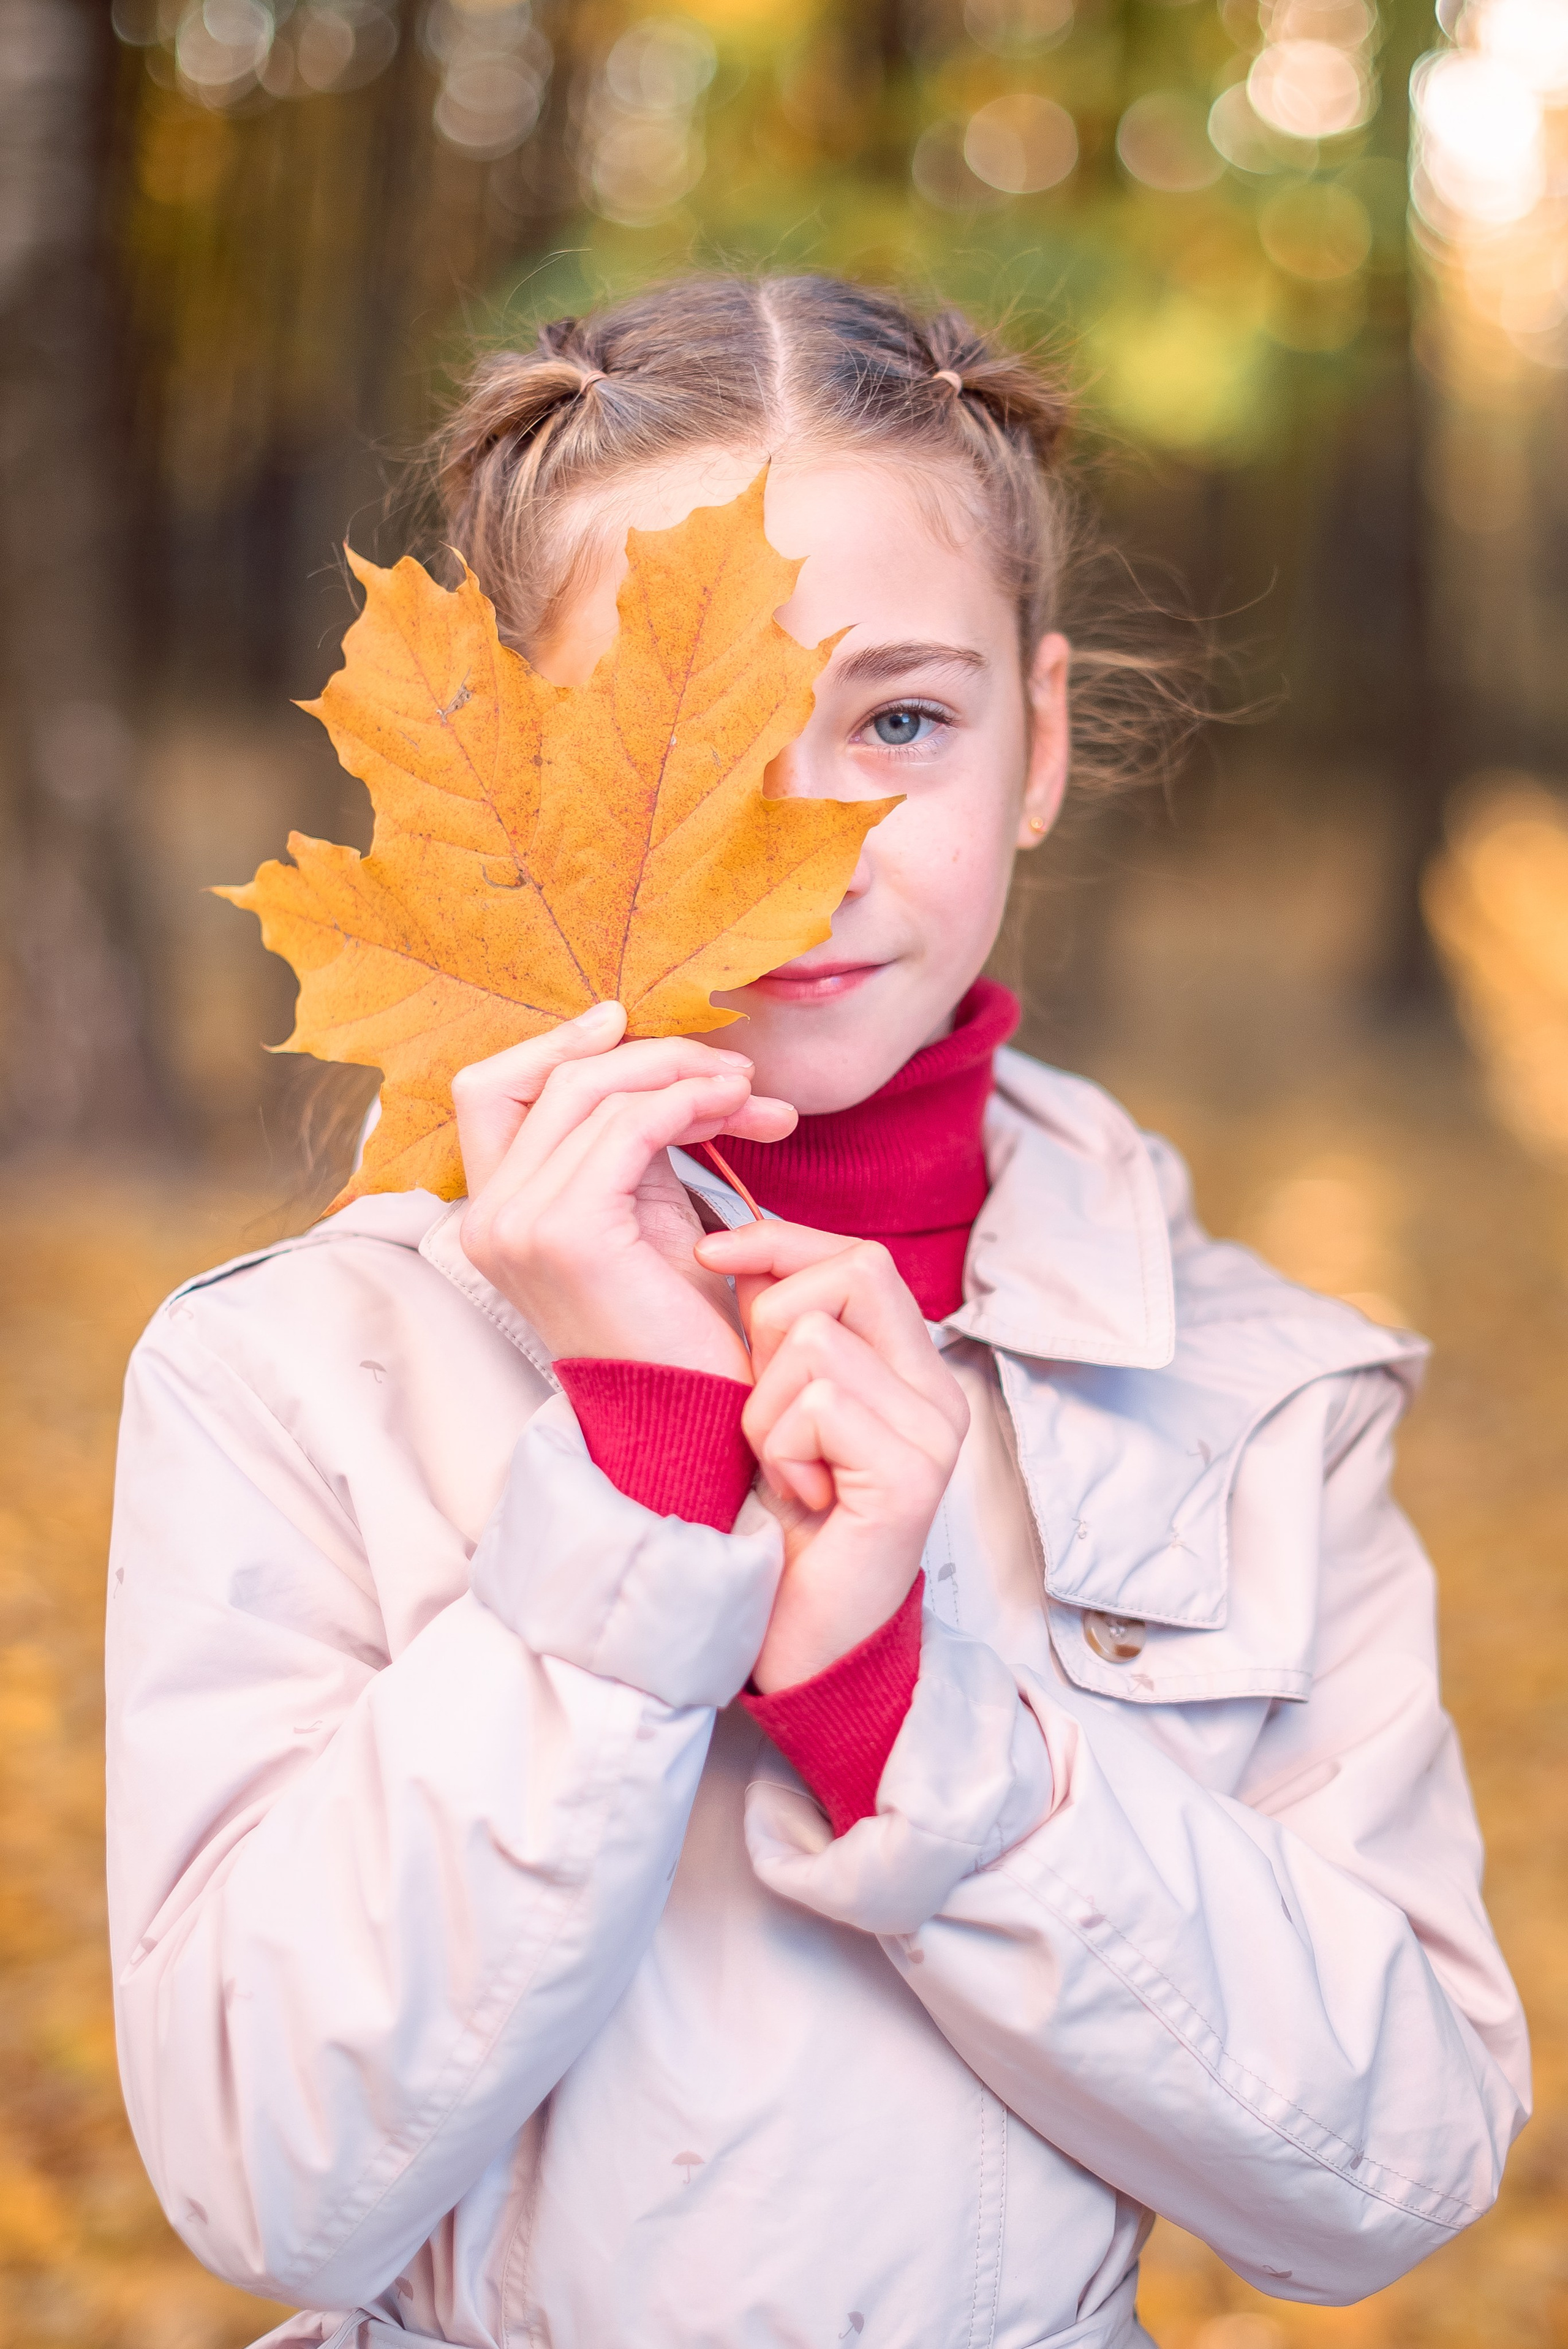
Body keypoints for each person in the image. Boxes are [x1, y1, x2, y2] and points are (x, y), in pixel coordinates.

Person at [105, 276, 1528, 2349]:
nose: (816, 853)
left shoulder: (1259, 1402)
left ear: (1040, 742)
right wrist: (639, 1495)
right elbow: (265, 2180)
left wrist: (899, 1705)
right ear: (514, 780)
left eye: (903, 720)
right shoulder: (290, 1373)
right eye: (706, 762)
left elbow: (1393, 2166)